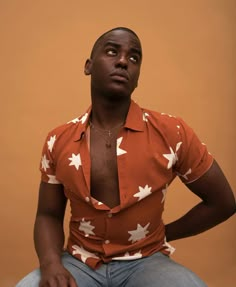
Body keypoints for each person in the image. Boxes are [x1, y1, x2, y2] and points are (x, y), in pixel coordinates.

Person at [16, 27, 235, 287]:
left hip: (147, 260)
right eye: (111, 51)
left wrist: (162, 234)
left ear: (137, 77)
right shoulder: (58, 139)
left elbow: (223, 202)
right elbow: (48, 215)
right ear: (88, 66)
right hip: (79, 262)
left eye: (134, 58)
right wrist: (51, 265)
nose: (123, 61)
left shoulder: (172, 132)